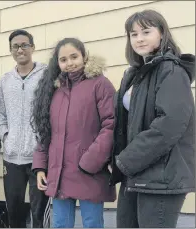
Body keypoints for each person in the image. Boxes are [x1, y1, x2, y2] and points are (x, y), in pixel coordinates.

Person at [110, 9, 195, 228]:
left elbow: (169, 125)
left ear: (161, 33)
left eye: (146, 32)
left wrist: (125, 161)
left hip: (162, 177)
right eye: (133, 34)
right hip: (136, 172)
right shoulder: (134, 74)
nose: (139, 38)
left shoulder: (171, 71)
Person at [31, 38, 116, 228]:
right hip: (59, 173)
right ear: (58, 63)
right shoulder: (55, 90)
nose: (69, 63)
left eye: (74, 57)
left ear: (84, 56)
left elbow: (111, 125)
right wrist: (40, 167)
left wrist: (89, 162)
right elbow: (45, 131)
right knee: (60, 224)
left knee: (92, 224)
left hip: (89, 172)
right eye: (63, 59)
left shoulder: (99, 84)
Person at [0, 29, 50, 228]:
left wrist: (42, 139)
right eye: (15, 46)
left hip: (39, 157)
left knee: (39, 213)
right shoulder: (4, 81)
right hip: (12, 157)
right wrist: (5, 135)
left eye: (24, 45)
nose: (20, 49)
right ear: (11, 51)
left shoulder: (46, 75)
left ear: (33, 47)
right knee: (14, 212)